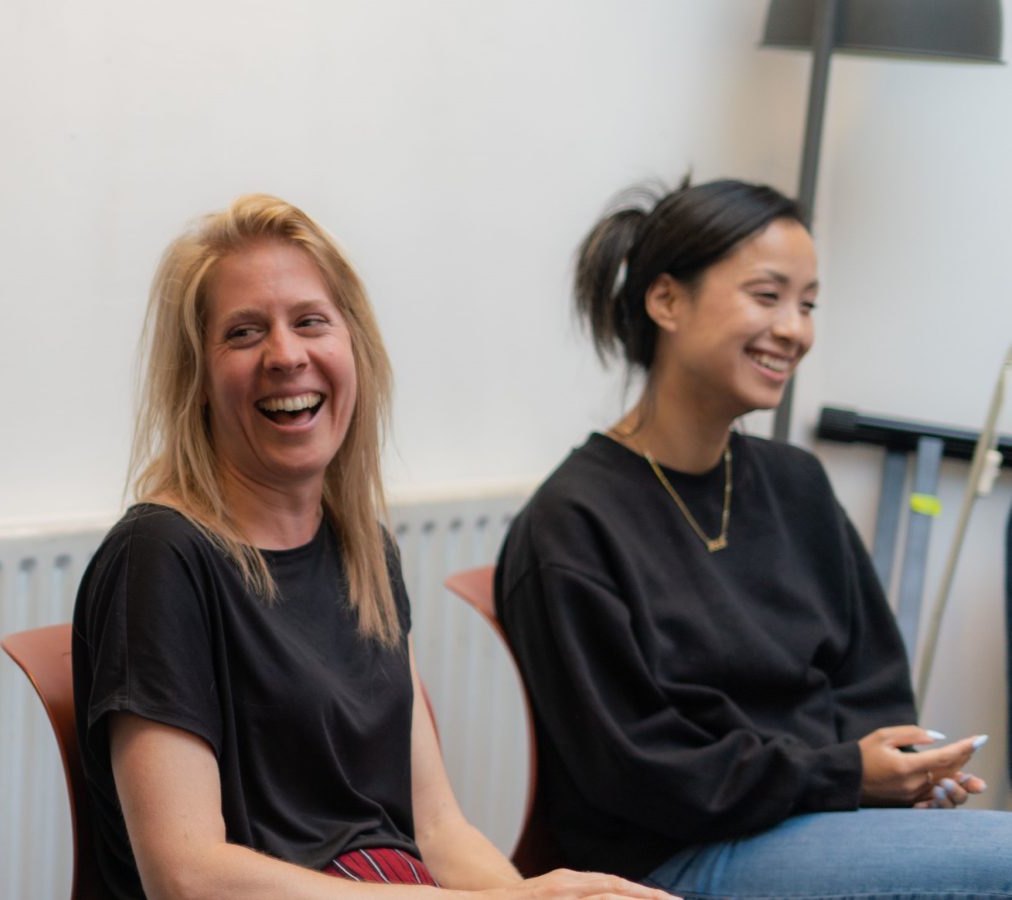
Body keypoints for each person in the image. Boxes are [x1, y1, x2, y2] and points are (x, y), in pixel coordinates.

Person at [72, 193, 673, 899]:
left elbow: (440, 829)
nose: (286, 355)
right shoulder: (160, 555)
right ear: (197, 381)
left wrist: (531, 895)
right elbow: (188, 875)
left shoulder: (364, 550)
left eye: (310, 322)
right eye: (242, 333)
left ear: (353, 347)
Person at [495, 177, 1012, 898]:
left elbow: (872, 685)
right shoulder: (573, 524)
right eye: (767, 296)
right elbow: (635, 767)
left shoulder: (795, 483)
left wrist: (903, 773)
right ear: (666, 300)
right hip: (677, 854)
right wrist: (846, 775)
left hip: (821, 819)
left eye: (807, 304)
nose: (795, 330)